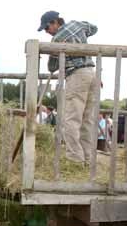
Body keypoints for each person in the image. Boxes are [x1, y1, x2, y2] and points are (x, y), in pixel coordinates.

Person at [39, 10, 98, 164]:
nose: (47, 32)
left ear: (55, 22)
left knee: (71, 119)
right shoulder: (77, 25)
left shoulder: (57, 40)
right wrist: (81, 41)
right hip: (91, 73)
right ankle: (87, 158)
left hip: (76, 76)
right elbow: (94, 28)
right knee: (87, 119)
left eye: (46, 28)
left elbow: (52, 66)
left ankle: (75, 160)